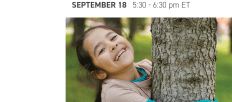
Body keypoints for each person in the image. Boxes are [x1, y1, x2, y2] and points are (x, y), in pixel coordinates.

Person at [76, 25, 218, 102]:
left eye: (113, 37)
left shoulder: (145, 66)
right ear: (99, 72)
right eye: (101, 50)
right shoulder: (114, 93)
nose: (112, 46)